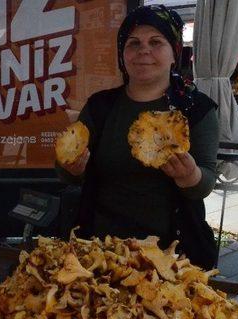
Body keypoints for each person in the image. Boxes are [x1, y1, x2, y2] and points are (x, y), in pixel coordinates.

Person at [57, 5, 220, 269]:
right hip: (100, 252)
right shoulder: (100, 107)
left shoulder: (197, 110)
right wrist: (72, 169)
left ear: (174, 53)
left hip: (172, 257)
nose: (143, 50)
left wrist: (190, 177)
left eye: (156, 42)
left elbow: (206, 181)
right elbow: (67, 171)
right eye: (133, 43)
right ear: (123, 55)